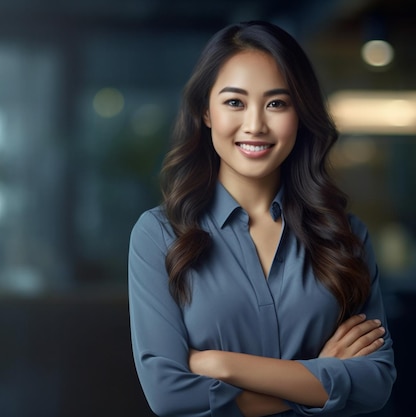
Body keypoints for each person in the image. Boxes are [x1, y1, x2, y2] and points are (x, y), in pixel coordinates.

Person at [128, 20, 396, 417]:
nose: (255, 125)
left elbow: (374, 385)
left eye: (276, 103)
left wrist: (222, 365)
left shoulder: (345, 235)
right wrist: (319, 380)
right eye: (234, 102)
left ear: (300, 113)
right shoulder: (159, 236)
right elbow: (169, 396)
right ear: (205, 111)